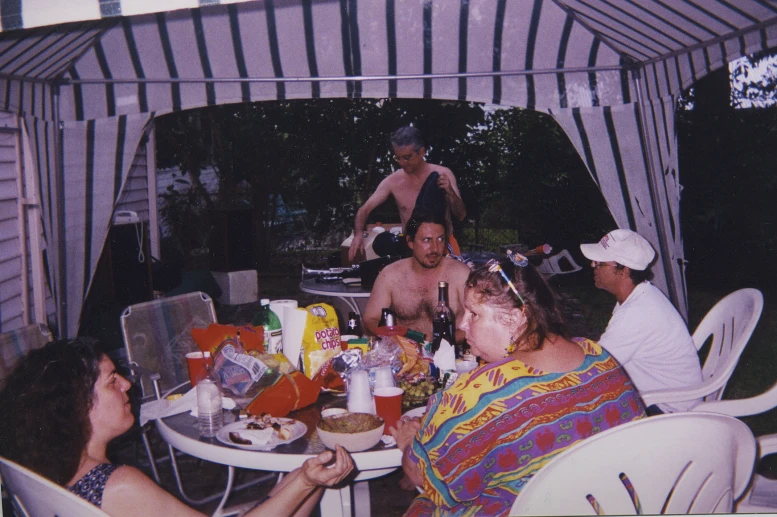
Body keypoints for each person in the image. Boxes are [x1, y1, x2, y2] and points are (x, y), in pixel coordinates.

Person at [390, 257, 646, 516]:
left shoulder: (477, 396)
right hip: (612, 503)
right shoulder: (599, 356)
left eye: (474, 314)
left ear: (514, 319)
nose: (461, 324)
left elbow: (422, 477)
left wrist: (409, 443)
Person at [0, 338, 355, 517]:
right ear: (77, 404)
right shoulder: (118, 486)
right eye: (112, 382)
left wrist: (304, 478)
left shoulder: (59, 470)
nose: (127, 385)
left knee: (307, 482)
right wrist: (307, 481)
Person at [580, 229, 703, 414]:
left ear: (624, 270)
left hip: (668, 409)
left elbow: (596, 368)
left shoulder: (637, 313)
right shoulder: (640, 296)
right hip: (665, 396)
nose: (592, 265)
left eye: (599, 262)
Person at [348, 126, 466, 260]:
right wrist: (358, 235)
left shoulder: (442, 174)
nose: (402, 163)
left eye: (407, 157)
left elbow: (461, 215)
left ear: (421, 152)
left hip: (442, 244)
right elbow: (364, 210)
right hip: (412, 246)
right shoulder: (393, 181)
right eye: (397, 158)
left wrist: (450, 192)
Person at [362, 210, 471, 338]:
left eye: (440, 239)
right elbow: (370, 319)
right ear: (410, 242)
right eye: (427, 240)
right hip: (405, 353)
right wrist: (398, 339)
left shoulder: (460, 274)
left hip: (451, 353)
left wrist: (440, 339)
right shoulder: (390, 275)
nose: (435, 248)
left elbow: (476, 324)